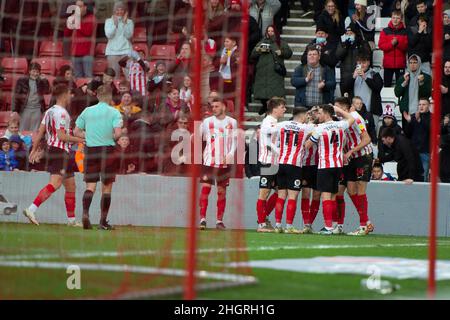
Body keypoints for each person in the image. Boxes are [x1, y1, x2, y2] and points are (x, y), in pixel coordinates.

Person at [23, 84, 85, 226]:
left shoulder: (49, 111)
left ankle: (71, 220)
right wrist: (80, 140)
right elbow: (62, 136)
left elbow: (40, 131)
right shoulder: (62, 113)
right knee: (55, 183)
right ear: (63, 95)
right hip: (60, 151)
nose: (71, 96)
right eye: (69, 93)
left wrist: (33, 149)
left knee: (71, 186)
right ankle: (31, 209)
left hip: (60, 151)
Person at [74, 85, 123, 230]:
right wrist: (110, 137)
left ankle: (85, 213)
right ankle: (102, 222)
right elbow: (118, 134)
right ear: (110, 97)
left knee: (90, 185)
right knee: (106, 187)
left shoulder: (87, 111)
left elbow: (76, 131)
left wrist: (88, 135)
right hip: (107, 151)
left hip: (91, 150)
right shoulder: (114, 112)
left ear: (97, 96)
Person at [304, 104, 355, 235]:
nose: (318, 116)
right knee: (332, 196)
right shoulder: (340, 125)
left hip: (325, 166)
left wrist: (308, 135)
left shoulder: (320, 128)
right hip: (337, 165)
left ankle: (328, 227)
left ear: (326, 114)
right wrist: (339, 110)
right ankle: (332, 224)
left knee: (326, 196)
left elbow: (308, 146)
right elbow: (352, 119)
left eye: (320, 113)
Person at [335, 97, 374, 236]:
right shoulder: (342, 120)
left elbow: (367, 139)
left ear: (345, 108)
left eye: (337, 107)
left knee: (360, 190)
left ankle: (363, 226)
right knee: (350, 191)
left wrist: (351, 150)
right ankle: (367, 221)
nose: (335, 110)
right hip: (351, 158)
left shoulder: (356, 118)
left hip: (363, 156)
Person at [198, 98, 237, 230]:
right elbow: (198, 137)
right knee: (205, 189)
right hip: (209, 162)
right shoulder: (207, 122)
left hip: (224, 163)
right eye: (212, 106)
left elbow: (235, 141)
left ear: (224, 107)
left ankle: (219, 221)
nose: (213, 108)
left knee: (221, 192)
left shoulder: (232, 122)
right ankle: (202, 219)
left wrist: (231, 153)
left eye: (216, 106)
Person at [273, 107, 313, 233]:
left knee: (281, 196)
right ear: (303, 116)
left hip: (281, 163)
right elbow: (319, 131)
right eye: (306, 115)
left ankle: (278, 225)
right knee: (292, 196)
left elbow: (267, 130)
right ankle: (289, 226)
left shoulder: (282, 124)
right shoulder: (306, 128)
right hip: (294, 165)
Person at [256, 97, 286, 232]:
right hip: (268, 161)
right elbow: (268, 141)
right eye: (282, 107)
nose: (284, 109)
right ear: (274, 109)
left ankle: (263, 216)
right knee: (264, 192)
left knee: (281, 192)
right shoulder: (268, 121)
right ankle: (261, 224)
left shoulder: (274, 122)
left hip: (275, 161)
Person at [251, 25, 293, 115]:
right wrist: (259, 50)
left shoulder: (280, 43)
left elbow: (289, 53)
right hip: (262, 71)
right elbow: (253, 54)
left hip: (275, 71)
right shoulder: (262, 42)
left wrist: (281, 52)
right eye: (268, 31)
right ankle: (264, 106)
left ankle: (272, 107)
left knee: (275, 91)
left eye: (272, 31)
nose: (270, 33)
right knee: (262, 90)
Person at [299, 107, 321, 234]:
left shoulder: (323, 127)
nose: (315, 114)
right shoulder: (304, 126)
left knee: (317, 195)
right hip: (305, 165)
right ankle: (306, 223)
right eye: (313, 112)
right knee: (306, 194)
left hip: (319, 165)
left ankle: (309, 223)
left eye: (318, 112)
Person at [394, 54, 432, 129]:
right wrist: (404, 82)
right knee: (407, 136)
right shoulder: (403, 77)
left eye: (415, 62)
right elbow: (397, 93)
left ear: (419, 64)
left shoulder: (426, 77)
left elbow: (427, 94)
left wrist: (421, 83)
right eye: (410, 63)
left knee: (420, 136)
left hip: (421, 113)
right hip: (407, 113)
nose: (412, 65)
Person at [335, 23, 372, 97]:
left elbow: (368, 55)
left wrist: (358, 45)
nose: (349, 35)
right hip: (346, 78)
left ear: (355, 34)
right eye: (347, 34)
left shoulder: (362, 43)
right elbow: (338, 56)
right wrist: (346, 47)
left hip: (359, 76)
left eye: (351, 33)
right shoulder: (343, 44)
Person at [13, 62, 50, 131]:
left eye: (37, 72)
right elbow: (16, 96)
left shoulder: (41, 81)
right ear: (29, 71)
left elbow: (47, 91)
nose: (35, 74)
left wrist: (45, 80)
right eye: (33, 71)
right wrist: (15, 110)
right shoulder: (21, 81)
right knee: (23, 130)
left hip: (37, 109)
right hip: (25, 109)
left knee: (35, 130)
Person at [352, 54, 384, 133]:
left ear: (368, 63)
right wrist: (352, 78)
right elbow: (345, 87)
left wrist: (365, 78)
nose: (362, 65)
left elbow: (378, 87)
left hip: (371, 111)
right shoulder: (354, 74)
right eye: (359, 63)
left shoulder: (374, 74)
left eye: (364, 62)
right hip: (356, 112)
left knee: (371, 134)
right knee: (358, 134)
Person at [64, 0, 96, 78]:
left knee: (88, 76)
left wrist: (77, 21)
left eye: (80, 6)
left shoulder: (92, 18)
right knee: (77, 77)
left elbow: (87, 32)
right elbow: (66, 34)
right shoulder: (73, 18)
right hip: (75, 53)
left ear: (85, 7)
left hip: (87, 54)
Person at [402, 98, 431, 181]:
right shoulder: (413, 116)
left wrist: (420, 121)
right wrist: (408, 122)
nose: (421, 106)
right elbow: (407, 134)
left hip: (425, 152)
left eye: (424, 104)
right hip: (413, 152)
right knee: (412, 176)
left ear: (428, 106)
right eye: (419, 104)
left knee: (423, 176)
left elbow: (431, 130)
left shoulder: (432, 117)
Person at [378, 10, 409, 87]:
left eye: (397, 18)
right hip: (388, 64)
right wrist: (391, 44)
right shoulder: (385, 31)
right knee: (387, 86)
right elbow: (381, 46)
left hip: (400, 64)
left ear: (401, 19)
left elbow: (406, 47)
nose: (395, 20)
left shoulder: (405, 31)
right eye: (393, 18)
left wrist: (397, 43)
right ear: (391, 18)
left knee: (400, 86)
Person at [104, 1, 134, 78]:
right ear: (114, 11)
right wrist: (115, 25)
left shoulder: (129, 22)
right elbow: (109, 35)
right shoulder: (108, 21)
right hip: (112, 52)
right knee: (114, 77)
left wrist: (124, 23)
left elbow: (129, 35)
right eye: (117, 10)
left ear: (125, 11)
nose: (119, 12)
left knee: (129, 76)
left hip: (126, 51)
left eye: (121, 9)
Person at [440, 114, 450, 183]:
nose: (445, 120)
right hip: (445, 149)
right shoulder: (444, 125)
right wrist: (444, 124)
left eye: (446, 118)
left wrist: (442, 138)